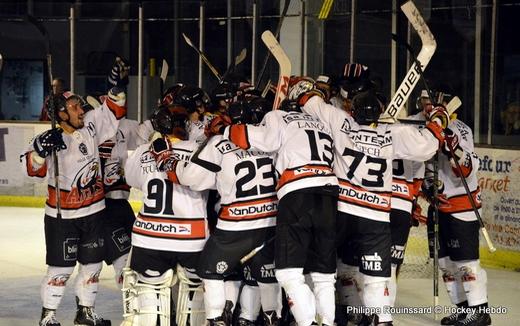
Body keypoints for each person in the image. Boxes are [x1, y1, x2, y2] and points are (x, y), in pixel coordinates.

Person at [299, 82, 448, 325]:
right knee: (376, 278)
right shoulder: (392, 134)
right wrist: (439, 118)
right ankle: (382, 319)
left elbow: (309, 102)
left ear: (353, 112)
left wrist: (318, 90)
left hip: (342, 212)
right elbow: (428, 145)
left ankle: (320, 318)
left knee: (323, 269)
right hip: (376, 218)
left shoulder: (341, 123)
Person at [218, 76, 339, 326]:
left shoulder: (277, 117)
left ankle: (308, 323)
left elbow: (253, 139)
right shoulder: (323, 122)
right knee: (324, 275)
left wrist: (225, 127)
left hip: (297, 193)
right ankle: (326, 322)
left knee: (288, 274)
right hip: (329, 194)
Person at [152, 97, 282, 325]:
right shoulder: (272, 141)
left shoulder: (218, 143)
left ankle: (216, 319)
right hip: (270, 223)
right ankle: (272, 317)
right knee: (266, 275)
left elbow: (189, 177)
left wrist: (166, 162)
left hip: (235, 227)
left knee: (210, 271)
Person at [21, 88, 126, 326]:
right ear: (61, 114)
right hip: (63, 218)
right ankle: (48, 316)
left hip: (94, 212)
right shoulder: (46, 140)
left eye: (81, 106)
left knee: (92, 265)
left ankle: (85, 312)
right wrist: (40, 153)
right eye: (75, 107)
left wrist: (115, 89)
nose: (82, 111)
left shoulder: (90, 125)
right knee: (61, 269)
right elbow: (32, 169)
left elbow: (115, 107)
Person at [123, 104, 208, 326]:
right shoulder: (200, 150)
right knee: (194, 296)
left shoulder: (144, 151)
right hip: (191, 238)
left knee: (148, 299)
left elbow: (132, 180)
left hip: (150, 237)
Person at [414, 89, 491, 326]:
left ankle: (479, 311)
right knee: (445, 264)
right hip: (439, 208)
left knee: (466, 263)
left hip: (461, 207)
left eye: (432, 103)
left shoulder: (460, 128)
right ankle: (464, 309)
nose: (427, 107)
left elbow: (465, 168)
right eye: (424, 103)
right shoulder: (422, 127)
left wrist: (451, 145)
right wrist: (426, 191)